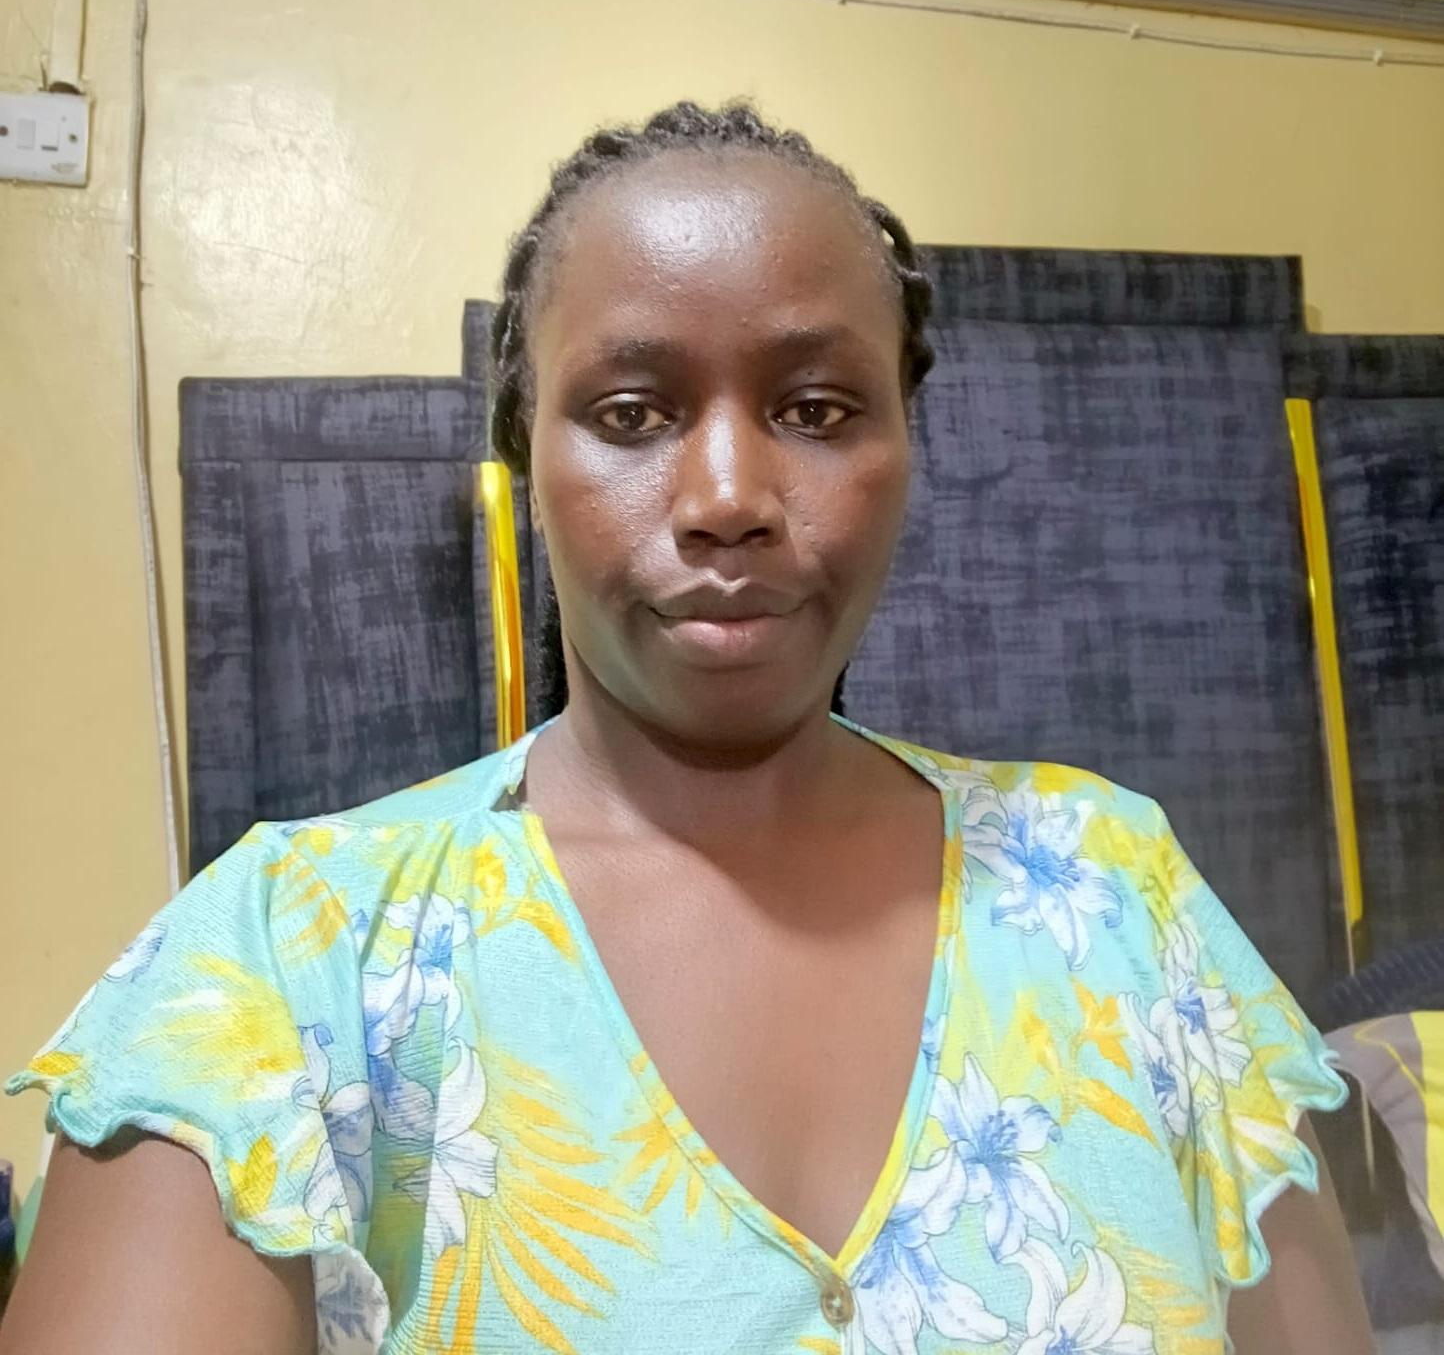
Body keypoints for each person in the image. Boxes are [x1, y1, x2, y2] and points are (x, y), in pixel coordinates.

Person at [1, 101, 1370, 1355]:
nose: (727, 497)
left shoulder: (1120, 898)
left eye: (816, 410)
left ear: (906, 450)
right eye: (632, 413)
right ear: (526, 457)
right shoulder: (280, 966)